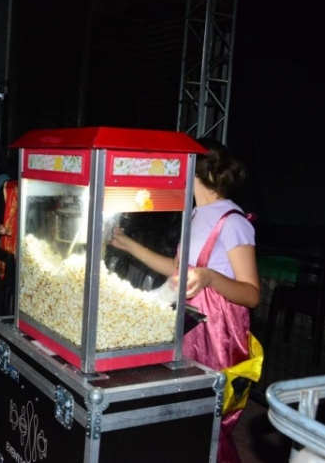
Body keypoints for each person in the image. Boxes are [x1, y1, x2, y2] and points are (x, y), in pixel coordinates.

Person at [109, 138, 259, 463]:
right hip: (189, 329)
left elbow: (251, 293)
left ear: (194, 168)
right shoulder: (195, 213)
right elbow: (179, 272)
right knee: (186, 421)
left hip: (218, 339)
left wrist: (210, 277)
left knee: (209, 426)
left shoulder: (232, 223)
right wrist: (129, 245)